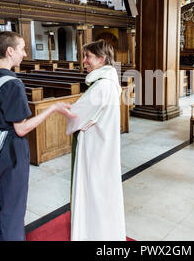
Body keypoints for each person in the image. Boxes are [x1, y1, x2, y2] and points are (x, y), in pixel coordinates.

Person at [0, 31, 75, 241]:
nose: (24, 53)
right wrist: (52, 108)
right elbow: (20, 129)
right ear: (10, 51)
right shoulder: (12, 83)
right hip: (9, 156)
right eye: (21, 49)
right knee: (12, 209)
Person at [66, 39, 126, 241]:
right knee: (103, 191)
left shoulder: (101, 87)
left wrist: (65, 109)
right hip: (102, 145)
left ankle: (93, 234)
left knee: (95, 191)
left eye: (88, 57)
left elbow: (75, 116)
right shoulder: (107, 82)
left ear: (101, 59)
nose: (84, 61)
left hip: (95, 148)